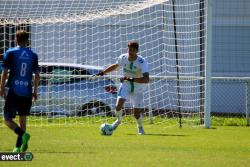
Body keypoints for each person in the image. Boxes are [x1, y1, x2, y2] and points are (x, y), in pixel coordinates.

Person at [95, 41, 149, 135]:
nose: (130, 51)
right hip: (126, 85)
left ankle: (140, 127)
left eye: (132, 50)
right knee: (118, 105)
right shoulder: (123, 57)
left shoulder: (142, 62)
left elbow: (146, 79)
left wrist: (131, 79)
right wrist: (103, 72)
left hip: (138, 88)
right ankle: (118, 120)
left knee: (136, 113)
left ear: (137, 51)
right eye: (129, 49)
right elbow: (116, 66)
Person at [0, 30, 40, 153]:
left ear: (15, 40)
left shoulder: (10, 52)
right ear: (28, 41)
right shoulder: (33, 55)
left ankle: (22, 136)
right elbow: (37, 75)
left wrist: (1, 87)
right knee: (23, 120)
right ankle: (18, 147)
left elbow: (5, 72)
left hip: (14, 90)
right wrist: (35, 91)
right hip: (27, 92)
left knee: (7, 119)